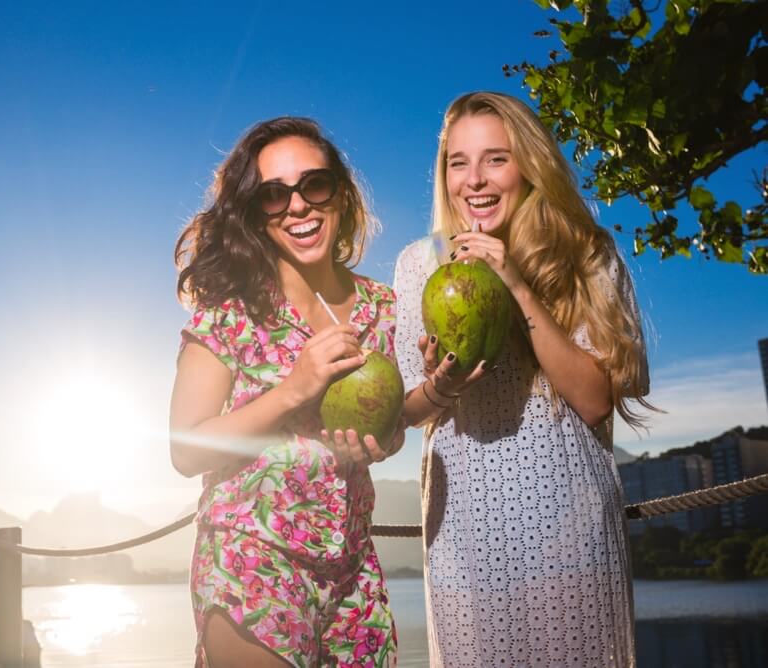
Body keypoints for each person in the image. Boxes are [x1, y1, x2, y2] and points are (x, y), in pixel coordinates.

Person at [394, 91, 652, 667]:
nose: (475, 180)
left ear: (529, 164)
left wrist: (513, 282)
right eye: (458, 162)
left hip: (569, 529)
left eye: (496, 158)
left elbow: (594, 402)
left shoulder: (584, 252)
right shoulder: (421, 262)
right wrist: (441, 386)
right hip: (463, 533)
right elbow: (410, 411)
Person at [170, 116, 402, 667]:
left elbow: (389, 424)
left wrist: (389, 435)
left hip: (351, 569)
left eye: (314, 186)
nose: (297, 207)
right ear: (254, 214)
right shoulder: (229, 315)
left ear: (341, 194)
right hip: (249, 556)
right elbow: (185, 450)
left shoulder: (386, 309)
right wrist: (294, 389)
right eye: (273, 195)